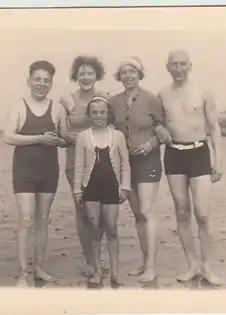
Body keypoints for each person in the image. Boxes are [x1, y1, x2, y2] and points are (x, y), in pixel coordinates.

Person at [157, 50, 224, 285]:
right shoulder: (162, 94)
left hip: (199, 153)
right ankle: (192, 265)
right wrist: (158, 129)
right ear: (167, 67)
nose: (179, 69)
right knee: (181, 211)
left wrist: (219, 160)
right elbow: (159, 123)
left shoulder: (204, 92)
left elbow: (214, 128)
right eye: (174, 64)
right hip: (174, 154)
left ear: (190, 65)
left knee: (203, 214)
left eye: (183, 64)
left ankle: (207, 267)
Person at [3, 60, 68, 287]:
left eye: (46, 80)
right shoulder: (19, 106)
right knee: (27, 219)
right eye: (37, 79)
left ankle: (39, 267)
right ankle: (23, 273)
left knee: (42, 220)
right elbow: (8, 137)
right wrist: (38, 139)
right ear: (29, 80)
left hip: (49, 170)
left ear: (51, 83)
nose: (41, 84)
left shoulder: (57, 108)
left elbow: (64, 139)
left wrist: (56, 140)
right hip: (24, 170)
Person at [109, 56, 169, 282]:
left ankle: (152, 267)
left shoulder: (152, 99)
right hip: (126, 163)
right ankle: (144, 263)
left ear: (139, 74)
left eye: (132, 71)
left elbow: (164, 131)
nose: (128, 76)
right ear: (119, 76)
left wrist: (151, 144)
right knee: (137, 214)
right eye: (124, 72)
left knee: (147, 210)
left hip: (148, 161)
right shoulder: (114, 102)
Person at [59, 55, 112, 277]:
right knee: (83, 213)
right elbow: (63, 132)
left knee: (100, 213)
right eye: (81, 73)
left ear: (97, 75)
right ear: (75, 76)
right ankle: (91, 261)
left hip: (102, 162)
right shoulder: (67, 100)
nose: (86, 77)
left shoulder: (104, 98)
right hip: (75, 164)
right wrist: (79, 138)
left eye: (90, 73)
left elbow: (111, 127)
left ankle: (99, 260)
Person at [73, 95, 131, 286]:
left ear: (108, 114)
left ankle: (115, 272)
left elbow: (125, 164)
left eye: (102, 112)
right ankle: (97, 270)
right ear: (89, 115)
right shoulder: (83, 137)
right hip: (90, 188)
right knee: (95, 229)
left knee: (111, 228)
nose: (99, 116)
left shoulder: (117, 136)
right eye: (95, 112)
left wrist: (125, 187)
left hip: (111, 187)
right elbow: (79, 166)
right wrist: (77, 190)